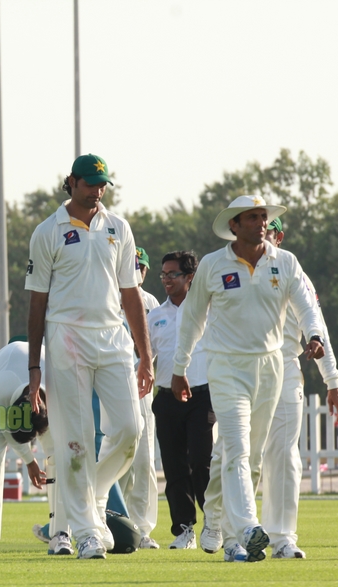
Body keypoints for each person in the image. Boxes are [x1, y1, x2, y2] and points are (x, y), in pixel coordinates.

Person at [172, 195, 325, 563]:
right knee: (237, 449)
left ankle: (230, 541)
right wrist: (179, 370)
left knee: (253, 457)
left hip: (271, 367)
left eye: (263, 216)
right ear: (234, 226)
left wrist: (315, 335)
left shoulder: (284, 261)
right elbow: (192, 318)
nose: (261, 223)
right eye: (252, 218)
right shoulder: (212, 265)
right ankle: (248, 528)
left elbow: (306, 307)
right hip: (227, 368)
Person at [26, 154, 152, 560]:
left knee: (131, 431)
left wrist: (145, 355)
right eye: (90, 184)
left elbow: (130, 293)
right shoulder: (48, 231)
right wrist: (33, 368)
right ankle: (86, 534)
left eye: (102, 185)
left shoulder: (118, 227)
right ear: (71, 182)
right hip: (66, 338)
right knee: (76, 441)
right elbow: (36, 304)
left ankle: (92, 502)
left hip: (114, 339)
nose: (97, 191)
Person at [200, 217, 338, 559]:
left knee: (282, 453)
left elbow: (316, 327)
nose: (267, 237)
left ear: (279, 235)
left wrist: (333, 382)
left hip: (283, 367)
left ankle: (281, 538)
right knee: (233, 451)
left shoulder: (293, 272)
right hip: (236, 367)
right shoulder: (226, 267)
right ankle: (223, 525)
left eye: (273, 231)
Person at [147, 250, 214, 550]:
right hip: (166, 399)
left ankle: (214, 521)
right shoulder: (155, 315)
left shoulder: (207, 309)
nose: (166, 280)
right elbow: (145, 356)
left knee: (201, 461)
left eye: (172, 274)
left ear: (190, 277)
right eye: (163, 274)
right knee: (174, 467)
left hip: (202, 396)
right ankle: (184, 529)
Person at [0, 339, 51, 557]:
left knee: (57, 455)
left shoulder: (57, 381)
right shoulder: (0, 394)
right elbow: (8, 430)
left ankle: (61, 530)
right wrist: (30, 461)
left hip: (42, 373)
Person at [118, 246, 161, 549]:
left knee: (144, 459)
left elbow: (154, 344)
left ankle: (143, 528)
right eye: (132, 266)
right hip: (111, 384)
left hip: (141, 386)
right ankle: (114, 521)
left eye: (141, 268)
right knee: (115, 456)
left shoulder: (151, 303)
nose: (137, 272)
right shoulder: (108, 296)